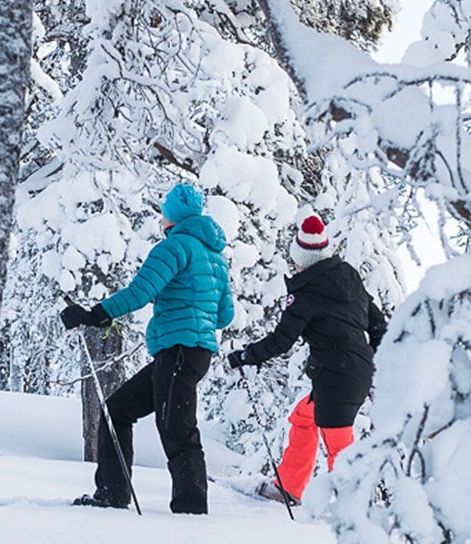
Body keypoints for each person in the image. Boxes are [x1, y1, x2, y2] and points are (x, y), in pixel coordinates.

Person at [61, 182, 234, 515]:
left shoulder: (173, 248)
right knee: (118, 410)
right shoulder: (215, 256)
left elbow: (141, 292)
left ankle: (191, 510)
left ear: (170, 216)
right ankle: (112, 494)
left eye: (163, 212)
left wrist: (94, 314)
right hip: (192, 353)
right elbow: (225, 315)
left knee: (177, 429)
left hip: (178, 351)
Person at [225, 214, 386, 504]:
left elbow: (281, 341)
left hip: (337, 377)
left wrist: (247, 356)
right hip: (353, 372)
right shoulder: (349, 277)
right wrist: (370, 359)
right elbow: (378, 324)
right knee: (304, 418)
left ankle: (354, 507)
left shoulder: (306, 295)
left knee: (339, 444)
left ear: (301, 259)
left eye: (296, 260)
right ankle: (287, 487)